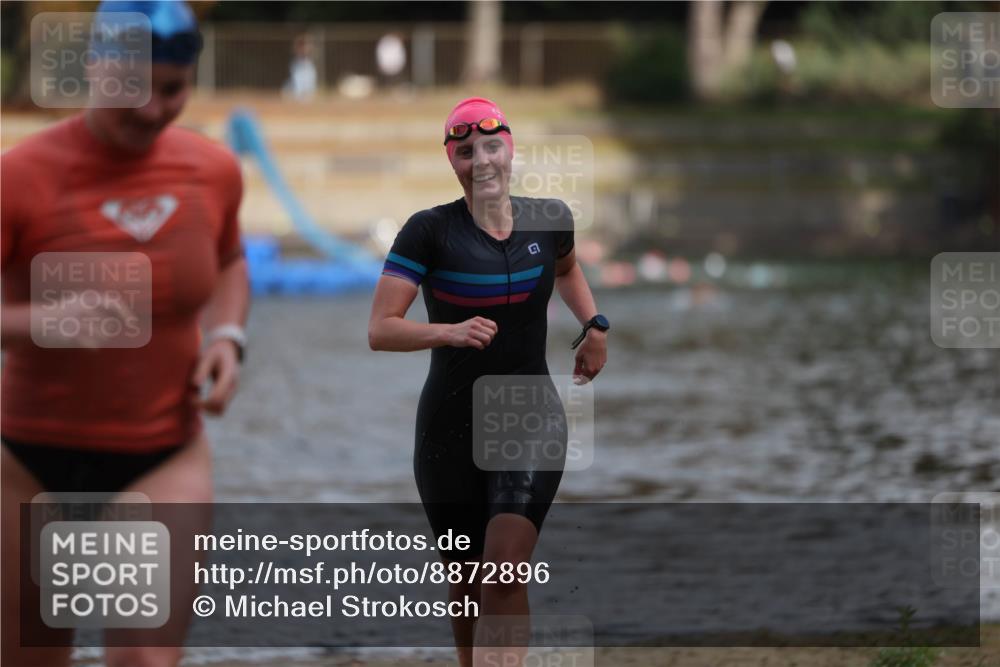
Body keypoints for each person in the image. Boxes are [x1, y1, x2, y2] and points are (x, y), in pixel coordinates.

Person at [0, 2, 249, 665]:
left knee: (143, 658)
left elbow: (229, 258)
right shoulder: (18, 175)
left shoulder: (213, 170)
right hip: (29, 464)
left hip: (161, 452)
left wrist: (227, 336)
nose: (149, 109)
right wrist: (38, 322)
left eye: (171, 89)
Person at [368, 97, 608, 667]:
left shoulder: (550, 219)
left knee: (504, 565)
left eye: (492, 146)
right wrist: (446, 333)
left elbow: (567, 267)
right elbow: (381, 329)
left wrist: (593, 324)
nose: (481, 161)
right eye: (466, 150)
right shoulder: (428, 232)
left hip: (526, 412)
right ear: (451, 160)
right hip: (448, 426)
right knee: (467, 583)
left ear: (511, 150)